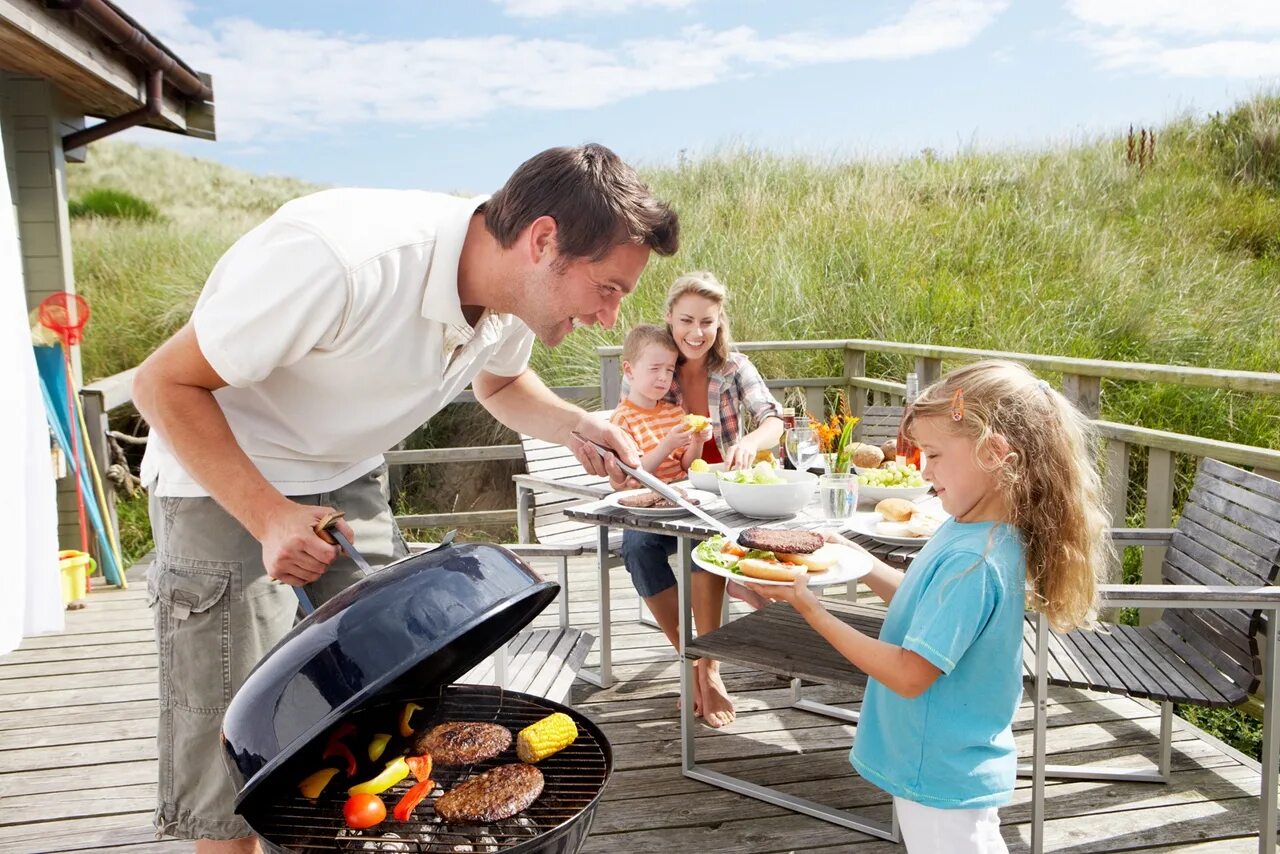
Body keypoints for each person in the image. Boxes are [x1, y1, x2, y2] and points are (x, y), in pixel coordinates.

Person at [132, 143, 678, 852]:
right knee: (233, 762)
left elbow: (502, 384)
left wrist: (577, 424)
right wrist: (267, 514)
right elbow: (160, 385)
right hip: (225, 481)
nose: (610, 317)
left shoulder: (509, 295)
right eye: (609, 288)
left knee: (382, 711)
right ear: (544, 241)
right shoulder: (340, 261)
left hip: (347, 477)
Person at [749, 359, 1111, 853]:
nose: (924, 469)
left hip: (941, 770)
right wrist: (855, 557)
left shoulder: (974, 561)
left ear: (995, 452)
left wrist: (810, 608)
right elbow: (922, 603)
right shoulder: (972, 529)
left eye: (936, 454)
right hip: (944, 762)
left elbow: (908, 673)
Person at [613, 271, 785, 728]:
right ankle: (691, 659)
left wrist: (752, 444)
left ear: (719, 322)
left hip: (723, 500)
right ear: (669, 318)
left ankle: (710, 666)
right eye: (686, 319)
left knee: (701, 547)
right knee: (635, 547)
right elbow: (628, 442)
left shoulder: (734, 368)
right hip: (670, 502)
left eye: (707, 322)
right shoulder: (655, 367)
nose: (696, 332)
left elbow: (772, 419)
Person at [609, 324, 712, 482]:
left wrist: (697, 442)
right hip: (648, 497)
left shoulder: (675, 413)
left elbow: (687, 466)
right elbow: (632, 474)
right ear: (629, 371)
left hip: (684, 490)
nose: (663, 377)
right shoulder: (622, 420)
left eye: (669, 370)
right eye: (655, 368)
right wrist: (667, 445)